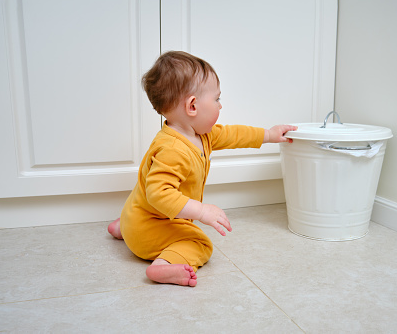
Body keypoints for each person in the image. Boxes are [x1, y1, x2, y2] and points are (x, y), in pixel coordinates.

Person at [107, 51, 296, 287]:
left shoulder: (200, 135)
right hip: (148, 229)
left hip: (134, 216)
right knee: (201, 244)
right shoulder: (173, 150)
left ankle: (122, 227)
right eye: (217, 99)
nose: (221, 105)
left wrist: (268, 134)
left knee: (139, 211)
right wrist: (201, 211)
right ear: (193, 106)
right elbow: (159, 194)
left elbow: (232, 134)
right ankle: (163, 266)